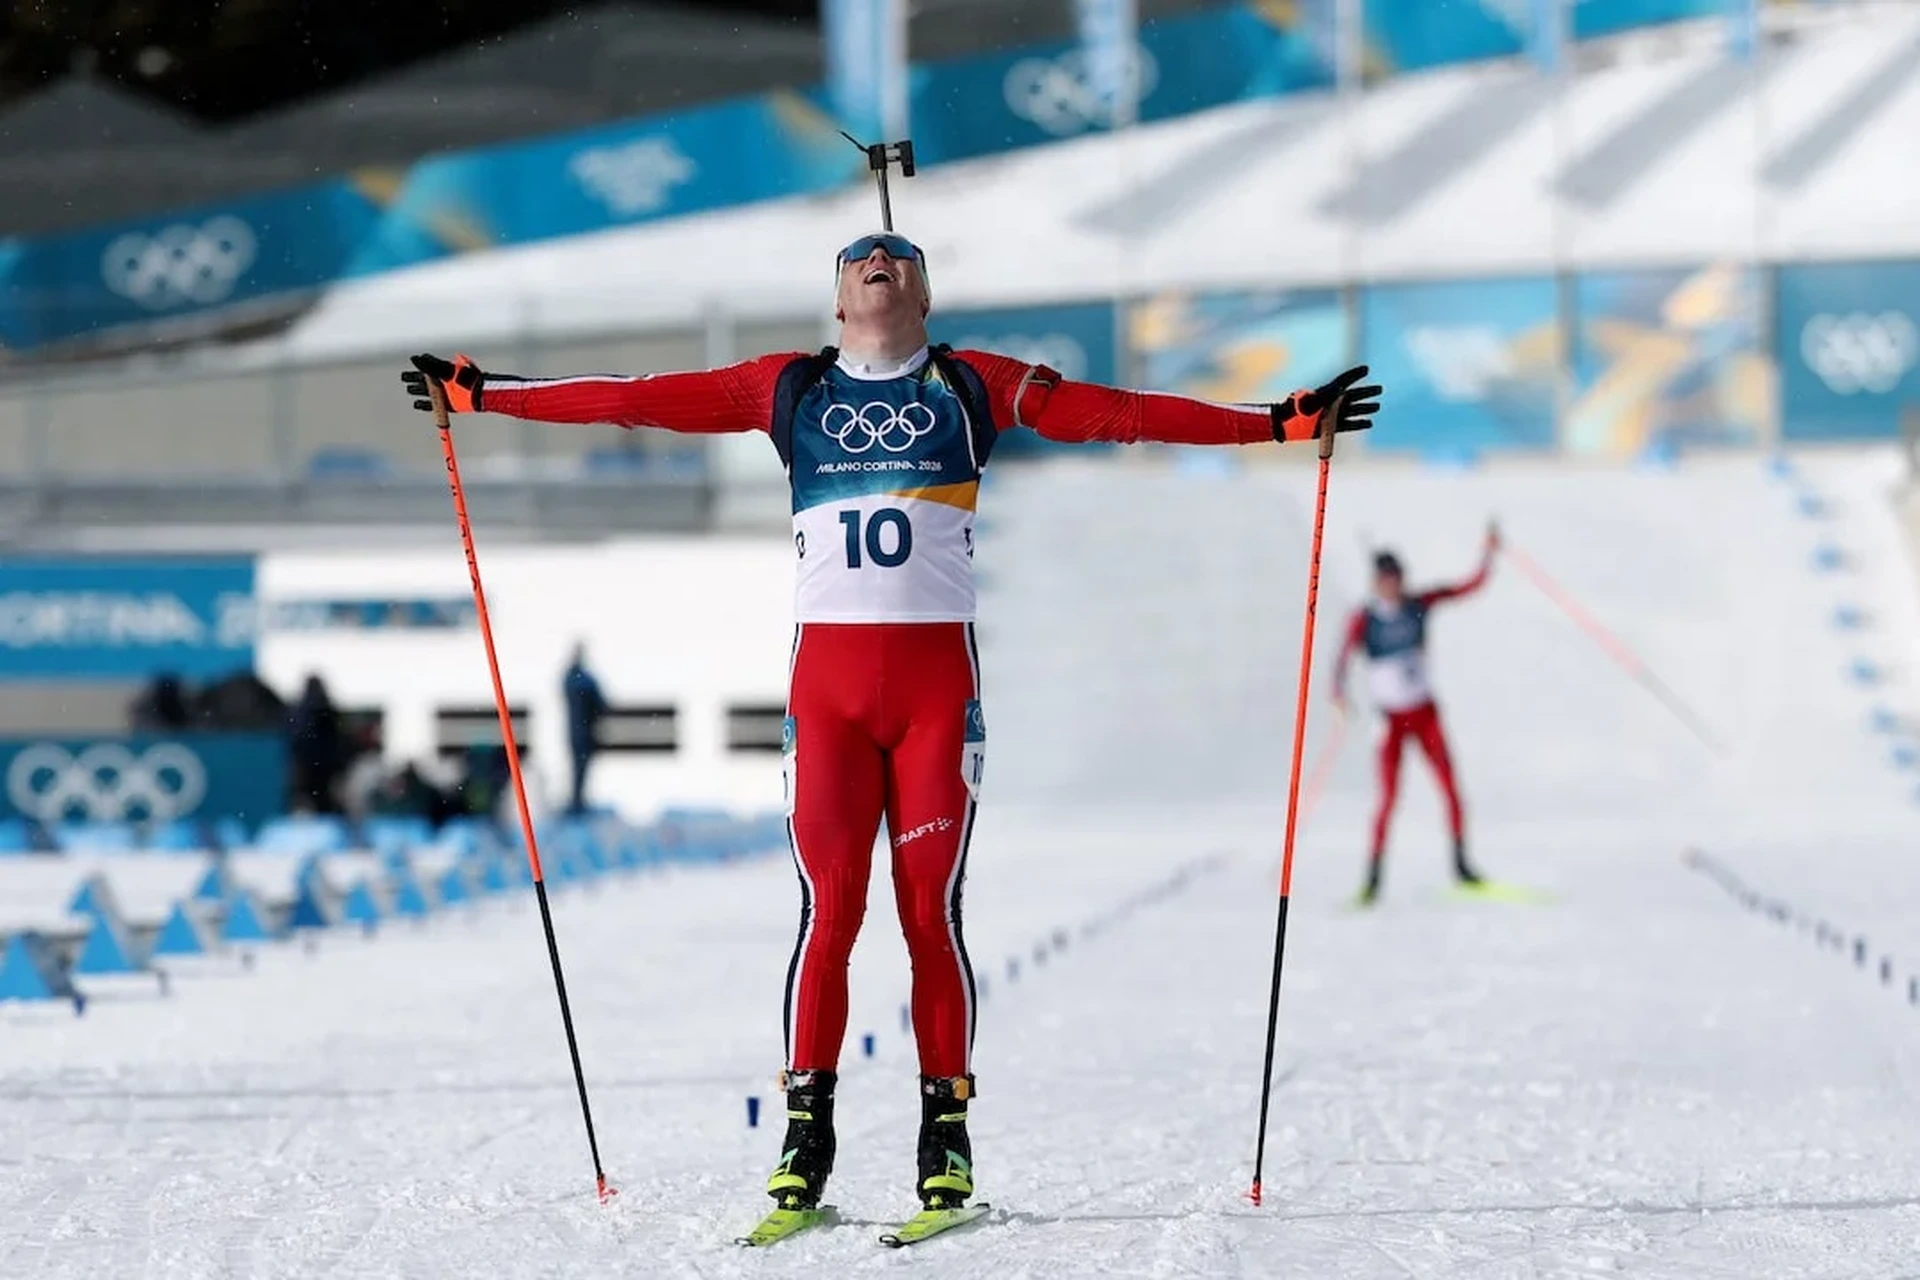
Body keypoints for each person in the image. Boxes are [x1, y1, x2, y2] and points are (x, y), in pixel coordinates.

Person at [401, 230, 1382, 1219]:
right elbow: (633, 396)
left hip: (932, 697)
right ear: (836, 298)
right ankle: (804, 1138)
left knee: (928, 919)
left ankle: (945, 1141)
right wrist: (486, 394)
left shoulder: (975, 383)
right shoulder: (785, 386)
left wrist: (1279, 424)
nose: (881, 258)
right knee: (830, 914)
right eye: (860, 255)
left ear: (925, 289)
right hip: (825, 698)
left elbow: (1120, 413)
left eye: (900, 253)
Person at [1332, 524, 1499, 905]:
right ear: (1376, 582)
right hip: (1390, 720)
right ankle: (1373, 880)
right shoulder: (1364, 620)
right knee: (1388, 799)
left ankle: (1461, 866)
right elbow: (1339, 662)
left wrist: (1488, 556)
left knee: (1451, 788)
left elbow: (1466, 587)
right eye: (1386, 580)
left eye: (1397, 578)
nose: (1393, 586)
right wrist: (1338, 695)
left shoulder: (1418, 606)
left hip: (1424, 715)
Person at [562, 643, 608, 816]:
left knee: (577, 766)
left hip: (575, 733)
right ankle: (578, 802)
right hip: (587, 734)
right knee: (580, 766)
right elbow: (601, 704)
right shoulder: (587, 681)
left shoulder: (569, 679)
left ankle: (576, 802)